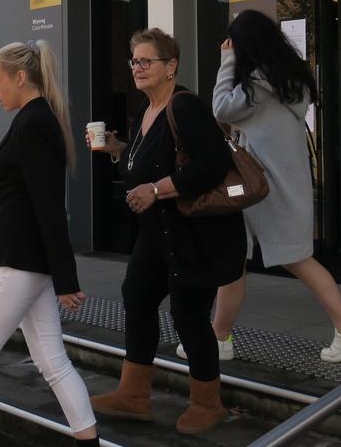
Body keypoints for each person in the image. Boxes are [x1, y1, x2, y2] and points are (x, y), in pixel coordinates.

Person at [87, 28, 246, 435]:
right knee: (137, 296)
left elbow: (210, 165)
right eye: (133, 62)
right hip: (156, 235)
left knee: (188, 316)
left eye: (146, 61)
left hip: (192, 235)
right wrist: (117, 151)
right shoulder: (146, 111)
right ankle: (134, 395)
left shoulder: (185, 107)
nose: (137, 68)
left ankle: (209, 403)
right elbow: (144, 164)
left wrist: (156, 190)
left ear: (170, 66)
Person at [181, 9, 341, 363]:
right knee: (276, 258)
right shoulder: (290, 82)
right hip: (285, 184)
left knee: (244, 259)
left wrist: (227, 60)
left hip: (259, 186)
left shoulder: (256, 86)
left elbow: (221, 108)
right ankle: (221, 336)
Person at [0, 40, 99, 447]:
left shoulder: (34, 124)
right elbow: (17, 198)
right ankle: (89, 440)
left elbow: (48, 206)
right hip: (29, 262)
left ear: (20, 77)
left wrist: (67, 277)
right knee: (52, 361)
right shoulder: (33, 121)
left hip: (19, 263)